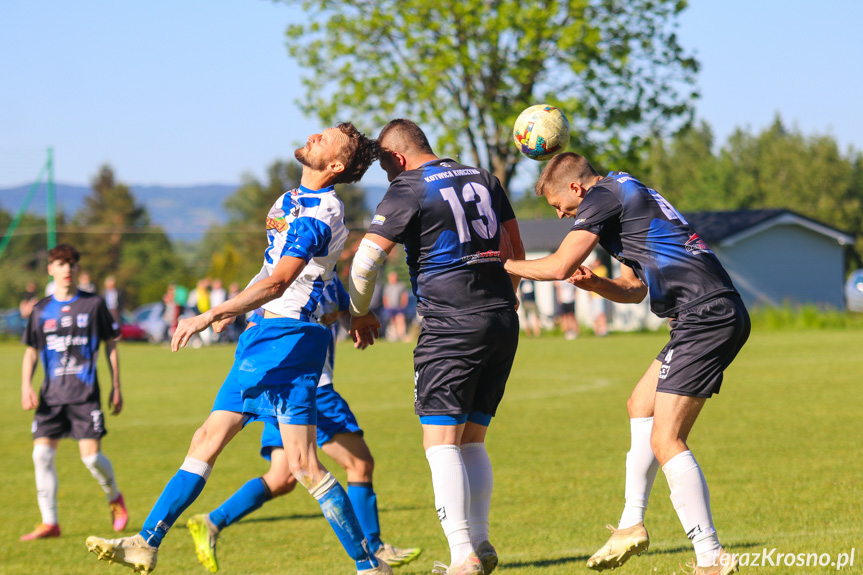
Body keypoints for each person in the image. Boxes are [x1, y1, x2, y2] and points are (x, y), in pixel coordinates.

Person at [85, 123, 390, 575]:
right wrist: (238, 309)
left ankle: (369, 564)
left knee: (300, 464)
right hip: (266, 335)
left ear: (335, 166)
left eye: (323, 140)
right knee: (232, 446)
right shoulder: (288, 201)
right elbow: (279, 271)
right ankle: (145, 543)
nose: (312, 138)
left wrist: (210, 313)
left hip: (286, 339)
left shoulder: (320, 212)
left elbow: (281, 281)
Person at [502, 153, 750, 575]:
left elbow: (559, 264)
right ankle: (631, 523)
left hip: (704, 314)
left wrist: (501, 263)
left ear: (577, 189)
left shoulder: (603, 196)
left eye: (559, 206)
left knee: (666, 440)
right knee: (640, 405)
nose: (562, 216)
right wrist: (597, 283)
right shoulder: (623, 194)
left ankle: (711, 557)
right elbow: (635, 289)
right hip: (705, 313)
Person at [348, 119, 525, 575]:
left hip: (450, 323)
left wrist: (360, 311)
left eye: (386, 168)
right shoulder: (485, 178)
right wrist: (509, 297)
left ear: (398, 158)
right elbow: (515, 251)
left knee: (440, 440)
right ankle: (481, 543)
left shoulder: (408, 185)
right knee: (472, 437)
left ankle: (463, 554)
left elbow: (366, 261)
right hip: (501, 319)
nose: (388, 178)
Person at [186, 276, 421, 572]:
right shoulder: (290, 270)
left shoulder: (329, 275)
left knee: (282, 477)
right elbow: (258, 310)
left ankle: (211, 522)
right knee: (360, 465)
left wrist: (356, 318)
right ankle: (373, 548)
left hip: (286, 389)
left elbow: (345, 307)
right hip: (310, 390)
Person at [20, 244, 128, 541]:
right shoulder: (40, 310)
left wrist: (116, 386)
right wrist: (25, 385)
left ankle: (115, 498)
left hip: (84, 394)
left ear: (77, 269)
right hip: (51, 396)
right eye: (60, 263)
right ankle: (50, 522)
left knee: (91, 459)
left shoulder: (93, 305)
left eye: (71, 263)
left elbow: (111, 344)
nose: (67, 268)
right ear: (50, 269)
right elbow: (31, 351)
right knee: (41, 454)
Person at [382, 271, 409, 341]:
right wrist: (386, 305)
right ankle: (395, 335)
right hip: (391, 307)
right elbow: (385, 297)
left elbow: (404, 295)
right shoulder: (387, 287)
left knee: (400, 320)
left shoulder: (400, 285)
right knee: (393, 321)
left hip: (399, 306)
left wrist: (403, 304)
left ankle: (402, 335)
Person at [588, 257, 609, 336]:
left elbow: (597, 278)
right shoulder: (593, 269)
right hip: (593, 296)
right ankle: (596, 331)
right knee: (594, 315)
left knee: (601, 313)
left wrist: (592, 268)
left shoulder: (602, 269)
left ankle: (603, 330)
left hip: (599, 296)